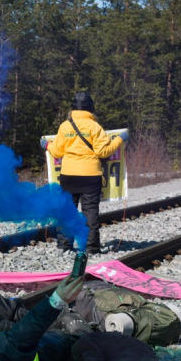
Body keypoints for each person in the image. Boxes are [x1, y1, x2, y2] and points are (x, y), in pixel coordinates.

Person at [45, 91, 126, 253]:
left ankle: (65, 245)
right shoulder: (95, 127)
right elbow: (104, 152)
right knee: (90, 214)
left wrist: (46, 145)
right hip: (90, 177)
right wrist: (120, 139)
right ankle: (91, 247)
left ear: (73, 109)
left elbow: (57, 152)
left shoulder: (65, 126)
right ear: (90, 108)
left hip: (68, 177)